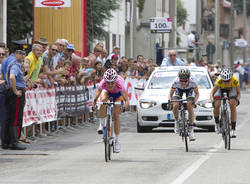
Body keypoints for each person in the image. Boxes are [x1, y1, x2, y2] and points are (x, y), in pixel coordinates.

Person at [92, 68, 129, 153]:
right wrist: (94, 104)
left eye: (112, 82)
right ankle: (101, 124)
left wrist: (124, 107)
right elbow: (95, 97)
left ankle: (116, 141)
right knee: (102, 101)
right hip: (107, 93)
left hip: (118, 95)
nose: (110, 85)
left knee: (116, 115)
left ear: (115, 81)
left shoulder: (120, 84)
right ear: (105, 81)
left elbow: (127, 101)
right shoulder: (102, 84)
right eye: (108, 82)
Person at [3, 49, 26, 150]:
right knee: (16, 117)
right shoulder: (15, 64)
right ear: (16, 53)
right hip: (15, 92)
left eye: (24, 54)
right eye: (21, 54)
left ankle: (7, 142)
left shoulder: (9, 61)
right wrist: (16, 91)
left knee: (9, 117)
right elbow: (12, 77)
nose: (23, 56)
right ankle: (14, 142)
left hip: (9, 91)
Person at [168, 68, 199, 141]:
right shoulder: (175, 82)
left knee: (189, 105)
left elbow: (197, 94)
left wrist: (194, 101)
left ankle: (191, 129)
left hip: (189, 89)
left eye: (185, 80)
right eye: (181, 80)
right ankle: (176, 121)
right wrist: (170, 101)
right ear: (179, 79)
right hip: (178, 90)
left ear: (189, 79)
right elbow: (170, 94)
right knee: (175, 105)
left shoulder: (193, 82)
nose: (184, 83)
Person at [210, 68, 240, 138]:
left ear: (231, 78)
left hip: (231, 89)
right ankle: (217, 124)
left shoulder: (235, 80)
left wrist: (237, 100)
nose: (226, 82)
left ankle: (233, 129)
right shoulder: (219, 81)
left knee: (232, 104)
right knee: (217, 104)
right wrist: (212, 101)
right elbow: (212, 93)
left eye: (228, 80)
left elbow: (238, 93)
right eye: (225, 81)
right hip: (220, 89)